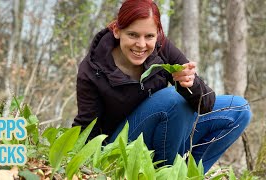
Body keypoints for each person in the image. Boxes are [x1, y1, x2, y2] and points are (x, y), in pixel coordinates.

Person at [72, 0, 251, 173]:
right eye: (133, 35)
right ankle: (165, 173)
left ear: (157, 33)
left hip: (166, 132)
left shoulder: (162, 47)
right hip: (122, 144)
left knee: (239, 109)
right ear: (117, 31)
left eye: (149, 36)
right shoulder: (92, 69)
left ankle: (188, 173)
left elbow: (206, 104)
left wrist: (190, 84)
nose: (141, 45)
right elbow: (87, 127)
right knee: (173, 99)